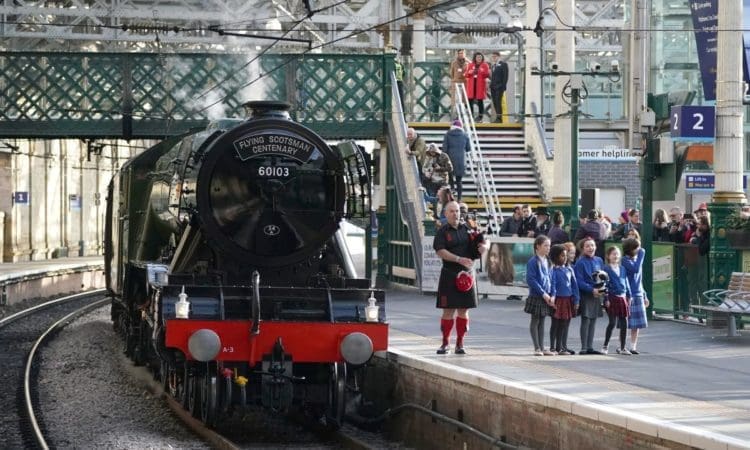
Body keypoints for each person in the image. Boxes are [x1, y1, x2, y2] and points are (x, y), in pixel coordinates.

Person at [433, 201, 488, 354]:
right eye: (451, 211)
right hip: (450, 273)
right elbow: (440, 251)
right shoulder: (442, 231)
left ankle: (460, 344)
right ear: (445, 213)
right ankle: (445, 343)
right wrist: (458, 259)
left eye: (457, 211)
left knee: (463, 310)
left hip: (467, 274)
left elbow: (483, 241)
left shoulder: (469, 229)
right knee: (448, 310)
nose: (455, 214)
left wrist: (484, 247)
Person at [574, 236, 605, 355]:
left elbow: (603, 277)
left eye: (592, 245)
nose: (590, 248)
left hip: (597, 294)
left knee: (593, 320)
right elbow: (579, 280)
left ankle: (590, 346)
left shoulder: (599, 260)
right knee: (586, 319)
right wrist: (591, 289)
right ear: (582, 248)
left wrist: (602, 290)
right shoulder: (580, 262)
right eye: (587, 246)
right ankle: (584, 346)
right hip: (587, 294)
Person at [524, 235, 555, 356]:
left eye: (549, 245)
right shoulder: (533, 261)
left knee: (542, 321)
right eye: (545, 245)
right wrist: (543, 293)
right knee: (535, 320)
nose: (548, 248)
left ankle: (542, 347)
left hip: (546, 295)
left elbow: (552, 278)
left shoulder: (548, 261)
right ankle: (536, 347)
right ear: (538, 246)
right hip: (537, 295)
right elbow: (531, 279)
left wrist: (552, 294)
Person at [549, 244, 579, 355]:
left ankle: (561, 346)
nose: (565, 258)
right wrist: (553, 297)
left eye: (565, 256)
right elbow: (553, 285)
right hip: (558, 300)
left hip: (568, 300)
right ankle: (553, 347)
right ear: (555, 257)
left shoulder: (569, 270)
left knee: (565, 324)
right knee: (555, 324)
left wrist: (576, 300)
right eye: (562, 256)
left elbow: (574, 286)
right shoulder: (553, 270)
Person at [601, 246, 631, 355]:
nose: (616, 256)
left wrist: (629, 295)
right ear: (608, 256)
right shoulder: (605, 269)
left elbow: (626, 282)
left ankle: (622, 347)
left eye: (617, 254)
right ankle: (605, 345)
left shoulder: (622, 269)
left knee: (624, 323)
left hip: (622, 297)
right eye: (613, 254)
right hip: (612, 297)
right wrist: (606, 298)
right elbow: (604, 285)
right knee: (612, 322)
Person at [621, 237, 649, 354]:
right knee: (626, 322)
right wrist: (642, 254)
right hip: (629, 294)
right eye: (636, 248)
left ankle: (633, 346)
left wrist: (644, 294)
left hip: (638, 293)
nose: (639, 249)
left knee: (636, 325)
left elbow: (639, 279)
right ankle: (622, 345)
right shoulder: (625, 260)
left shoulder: (637, 259)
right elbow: (635, 270)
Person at [442, 120, 471, 200]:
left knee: (450, 177)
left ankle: (452, 190)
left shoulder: (448, 134)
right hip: (461, 161)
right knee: (459, 180)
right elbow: (468, 149)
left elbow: (444, 149)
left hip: (450, 159)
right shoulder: (465, 135)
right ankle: (459, 198)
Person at [465, 52, 490, 122]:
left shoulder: (485, 65)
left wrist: (482, 71)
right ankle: (471, 116)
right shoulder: (470, 64)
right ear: (475, 58)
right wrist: (470, 72)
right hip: (472, 84)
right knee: (470, 100)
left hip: (480, 85)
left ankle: (480, 116)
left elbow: (487, 75)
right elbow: (466, 74)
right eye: (477, 57)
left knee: (480, 101)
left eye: (480, 57)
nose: (479, 58)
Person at [489, 51, 509, 123]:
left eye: (495, 56)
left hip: (499, 86)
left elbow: (505, 76)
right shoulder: (493, 66)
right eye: (493, 57)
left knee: (498, 101)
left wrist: (503, 86)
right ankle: (498, 117)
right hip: (493, 87)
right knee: (495, 102)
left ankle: (499, 118)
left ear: (498, 57)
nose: (494, 58)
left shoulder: (503, 64)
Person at [449, 49, 468, 113]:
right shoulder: (454, 63)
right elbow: (451, 73)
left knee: (464, 99)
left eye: (462, 53)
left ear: (465, 54)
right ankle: (454, 114)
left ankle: (463, 113)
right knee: (455, 100)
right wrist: (453, 80)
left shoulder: (467, 63)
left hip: (464, 83)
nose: (461, 55)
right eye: (459, 53)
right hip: (455, 83)